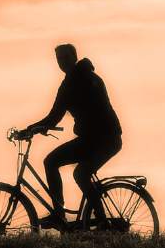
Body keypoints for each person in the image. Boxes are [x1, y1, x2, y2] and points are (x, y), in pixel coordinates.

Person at [17, 43, 122, 230]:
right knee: (66, 167)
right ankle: (78, 216)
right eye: (58, 59)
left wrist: (30, 129)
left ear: (74, 57)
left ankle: (91, 219)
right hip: (98, 139)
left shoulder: (75, 82)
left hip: (102, 139)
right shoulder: (85, 77)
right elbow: (55, 116)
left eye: (64, 58)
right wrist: (35, 128)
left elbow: (54, 117)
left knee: (69, 169)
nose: (61, 62)